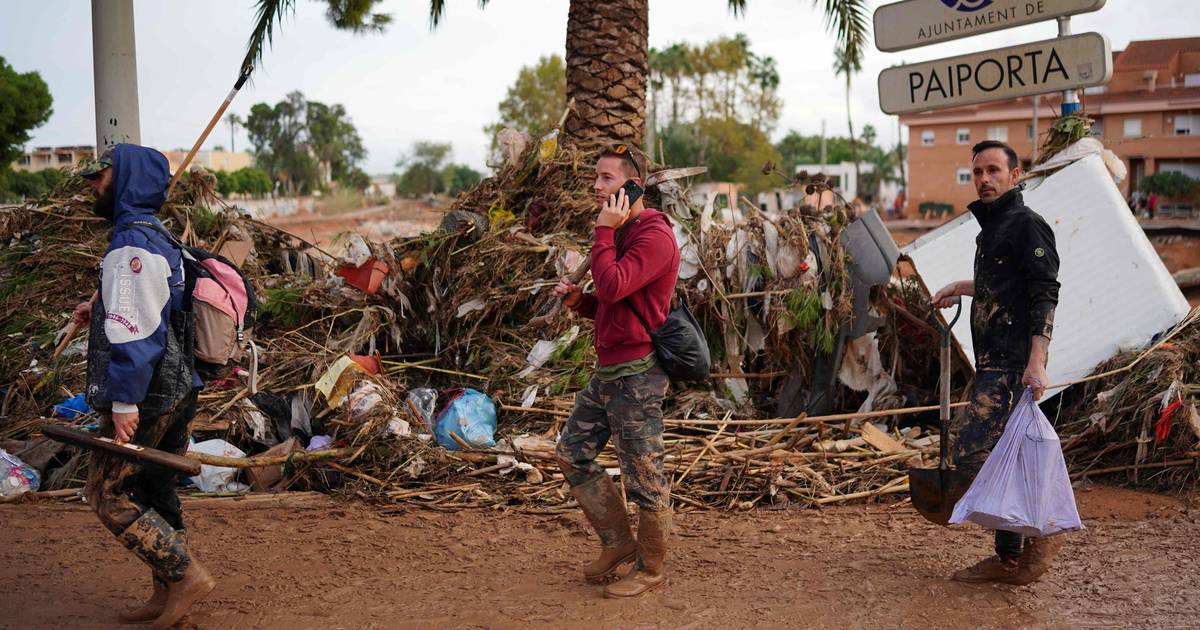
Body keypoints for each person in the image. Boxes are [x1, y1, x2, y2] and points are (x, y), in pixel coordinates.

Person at [71, 144, 215, 628]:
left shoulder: (132, 242)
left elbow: (135, 330)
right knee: (156, 489)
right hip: (178, 386)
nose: (94, 185)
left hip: (148, 392)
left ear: (126, 180)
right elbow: (154, 308)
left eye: (101, 176)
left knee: (105, 493)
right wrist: (99, 306)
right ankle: (168, 596)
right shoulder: (157, 236)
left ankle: (184, 575)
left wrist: (125, 401)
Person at [931, 140, 1063, 585]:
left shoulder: (1027, 224)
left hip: (1012, 365)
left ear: (1015, 174)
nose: (984, 180)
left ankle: (1041, 537)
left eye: (993, 170)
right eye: (977, 173)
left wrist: (1037, 361)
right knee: (1008, 454)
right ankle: (1009, 557)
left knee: (972, 453)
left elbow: (1044, 293)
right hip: (994, 361)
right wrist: (961, 286)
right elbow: (1004, 286)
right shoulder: (992, 229)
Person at [552, 144, 680, 598]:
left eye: (606, 178)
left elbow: (612, 283)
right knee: (571, 452)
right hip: (609, 370)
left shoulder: (653, 236)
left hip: (638, 374)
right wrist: (579, 303)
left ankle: (651, 567)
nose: (596, 186)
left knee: (644, 474)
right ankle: (618, 542)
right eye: (597, 177)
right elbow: (612, 301)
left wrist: (603, 232)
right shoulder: (623, 232)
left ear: (632, 186)